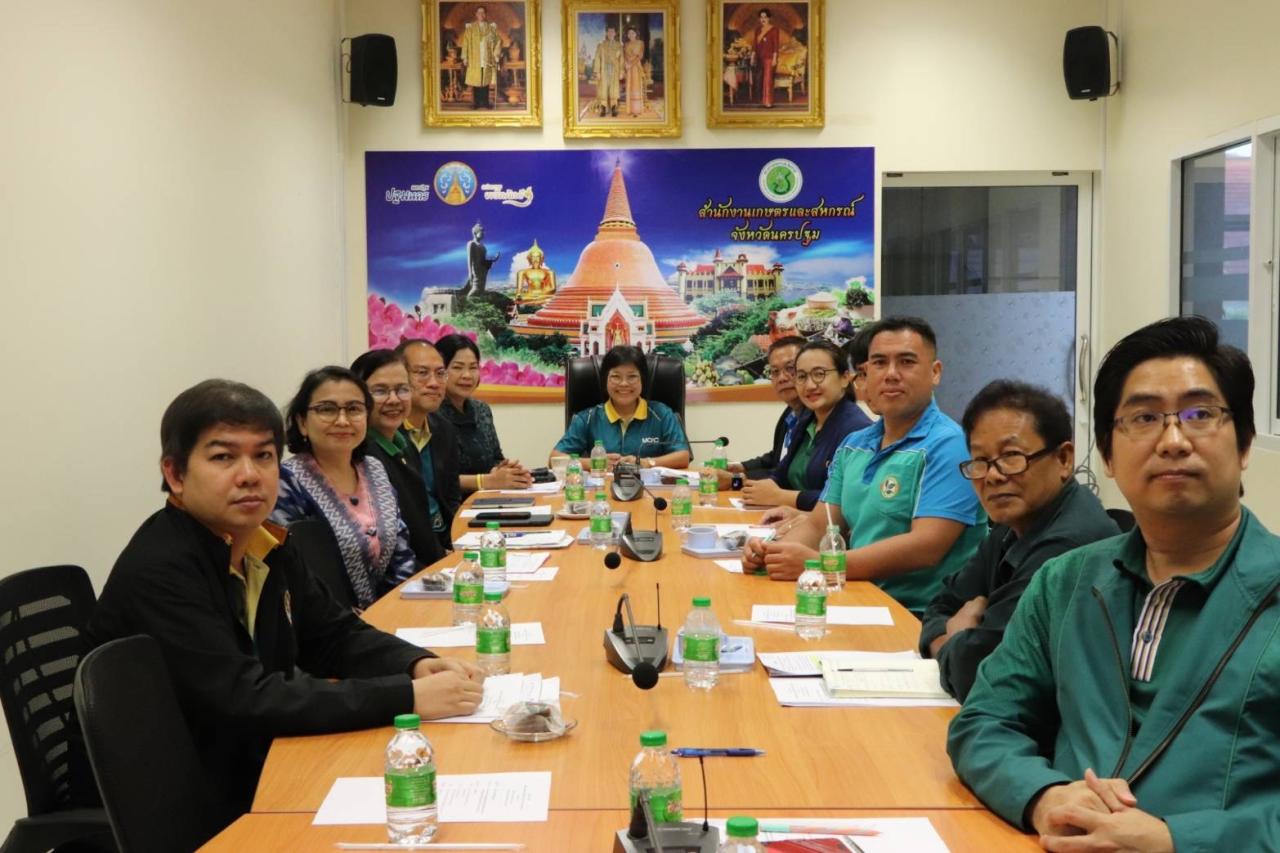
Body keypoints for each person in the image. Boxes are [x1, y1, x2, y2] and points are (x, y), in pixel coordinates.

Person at [84, 379, 484, 833]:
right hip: (187, 797)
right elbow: (244, 699)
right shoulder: (162, 569)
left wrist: (415, 665)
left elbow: (332, 634)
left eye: (264, 456)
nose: (249, 474)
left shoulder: (263, 541)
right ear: (175, 474)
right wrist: (406, 697)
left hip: (250, 759)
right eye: (223, 457)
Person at [948, 316, 1280, 852]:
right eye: (1143, 418)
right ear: (1106, 455)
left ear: (1243, 445)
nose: (1173, 440)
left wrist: (1177, 840)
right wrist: (1044, 796)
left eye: (1199, 414)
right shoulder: (1066, 582)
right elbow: (985, 721)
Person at [742, 317, 986, 616]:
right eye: (880, 363)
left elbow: (926, 547)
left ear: (935, 372)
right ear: (866, 373)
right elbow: (820, 524)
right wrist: (772, 553)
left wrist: (819, 564)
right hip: (856, 597)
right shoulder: (854, 444)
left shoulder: (951, 445)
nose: (891, 374)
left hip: (918, 616)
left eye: (907, 362)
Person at [918, 380, 1117, 701]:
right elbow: (941, 605)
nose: (993, 476)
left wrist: (956, 637)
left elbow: (980, 674)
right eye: (980, 460)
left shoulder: (1069, 543)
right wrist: (956, 642)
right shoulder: (1014, 520)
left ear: (1064, 459)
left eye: (1011, 456)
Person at [270, 367, 423, 607]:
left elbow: (401, 553)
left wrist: (395, 609)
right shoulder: (286, 481)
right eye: (327, 409)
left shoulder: (374, 469)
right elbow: (296, 574)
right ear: (302, 422)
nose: (342, 420)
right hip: (325, 621)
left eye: (354, 409)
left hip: (390, 611)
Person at [740, 339, 873, 511]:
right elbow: (780, 474)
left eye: (819, 374)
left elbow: (848, 499)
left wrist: (783, 497)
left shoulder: (857, 430)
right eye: (802, 376)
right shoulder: (806, 420)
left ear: (845, 378)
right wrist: (753, 485)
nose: (809, 386)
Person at [352, 348, 459, 553]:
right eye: (380, 391)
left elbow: (422, 529)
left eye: (402, 389)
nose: (394, 400)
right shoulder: (362, 456)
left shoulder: (403, 445)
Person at [552, 344, 690, 470]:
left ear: (642, 380)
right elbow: (555, 459)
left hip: (648, 488)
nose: (624, 383)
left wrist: (645, 462)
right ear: (605, 380)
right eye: (616, 376)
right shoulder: (588, 418)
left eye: (632, 377)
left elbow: (683, 456)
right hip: (603, 487)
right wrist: (595, 463)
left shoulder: (662, 414)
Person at [433, 333, 533, 493]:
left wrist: (506, 471)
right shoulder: (431, 414)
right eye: (457, 367)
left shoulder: (482, 410)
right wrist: (487, 481)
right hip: (454, 504)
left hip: (487, 498)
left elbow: (495, 458)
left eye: (473, 367)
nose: (467, 375)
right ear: (440, 372)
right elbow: (435, 479)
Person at [395, 339, 465, 533]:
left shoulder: (444, 430)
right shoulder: (387, 434)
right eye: (422, 373)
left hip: (445, 535)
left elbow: (452, 498)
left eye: (440, 374)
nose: (434, 383)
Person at [727, 335, 806, 482]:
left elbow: (790, 472)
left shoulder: (817, 418)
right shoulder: (790, 413)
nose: (782, 378)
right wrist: (740, 467)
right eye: (775, 371)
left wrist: (738, 479)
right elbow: (777, 457)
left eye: (790, 368)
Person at [461, 4, 499, 109]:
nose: (481, 14)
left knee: (485, 81)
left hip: (487, 58)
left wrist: (496, 54)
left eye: (483, 12)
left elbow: (497, 41)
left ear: (485, 14)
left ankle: (485, 103)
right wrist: (465, 57)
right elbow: (465, 43)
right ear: (476, 14)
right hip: (474, 58)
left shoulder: (490, 28)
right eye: (479, 12)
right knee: (476, 81)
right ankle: (476, 103)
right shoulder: (470, 28)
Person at [592, 26, 623, 117]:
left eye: (612, 31)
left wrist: (621, 71)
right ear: (606, 33)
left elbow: (622, 59)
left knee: (614, 89)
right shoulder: (601, 45)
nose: (610, 33)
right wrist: (597, 72)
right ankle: (603, 108)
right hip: (604, 70)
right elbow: (597, 58)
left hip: (614, 70)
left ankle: (614, 108)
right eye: (609, 31)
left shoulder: (619, 46)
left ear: (615, 33)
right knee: (603, 88)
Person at [753, 9, 780, 108]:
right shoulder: (757, 30)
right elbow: (754, 45)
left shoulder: (774, 29)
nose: (763, 19)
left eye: (765, 17)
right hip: (759, 58)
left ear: (769, 18)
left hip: (769, 58)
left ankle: (768, 101)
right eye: (761, 17)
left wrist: (774, 59)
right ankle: (762, 101)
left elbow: (776, 45)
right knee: (760, 79)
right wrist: (752, 56)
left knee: (768, 80)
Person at [623, 27, 645, 117]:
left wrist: (630, 64)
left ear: (636, 34)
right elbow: (625, 56)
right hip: (629, 68)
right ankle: (630, 110)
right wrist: (626, 64)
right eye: (629, 33)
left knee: (636, 87)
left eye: (632, 33)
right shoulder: (626, 44)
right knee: (629, 86)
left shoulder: (640, 43)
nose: (631, 35)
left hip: (636, 67)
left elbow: (640, 56)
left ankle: (637, 110)